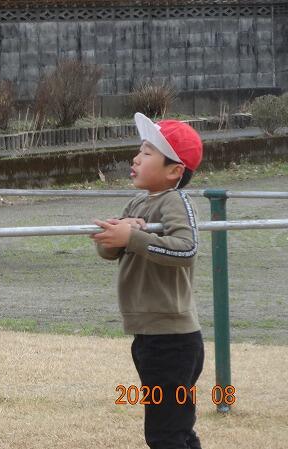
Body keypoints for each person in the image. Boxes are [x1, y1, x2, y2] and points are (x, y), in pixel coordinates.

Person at [91, 113, 205, 449]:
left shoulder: (176, 201)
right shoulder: (138, 202)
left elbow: (187, 249)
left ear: (174, 171)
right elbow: (110, 252)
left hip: (173, 339)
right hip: (149, 336)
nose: (136, 159)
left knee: (165, 434)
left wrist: (134, 238)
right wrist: (115, 236)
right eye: (139, 151)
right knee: (175, 431)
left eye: (147, 153)